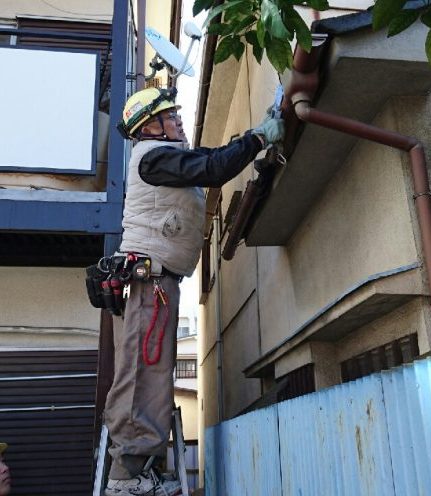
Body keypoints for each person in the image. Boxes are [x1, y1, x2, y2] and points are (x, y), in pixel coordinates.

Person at [103, 87, 284, 496]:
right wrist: (259, 138)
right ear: (151, 126)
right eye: (171, 116)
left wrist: (254, 135)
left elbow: (209, 159)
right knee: (142, 372)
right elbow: (215, 167)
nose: (179, 121)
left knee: (153, 372)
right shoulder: (153, 155)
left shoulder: (167, 158)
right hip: (149, 282)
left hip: (157, 282)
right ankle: (124, 477)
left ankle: (137, 470)